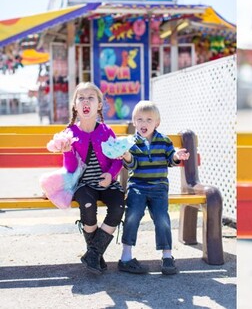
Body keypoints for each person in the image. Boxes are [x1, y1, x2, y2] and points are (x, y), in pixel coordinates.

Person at [117, 100, 189, 275]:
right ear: (134, 122)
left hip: (158, 187)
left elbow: (171, 159)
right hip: (138, 186)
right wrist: (126, 156)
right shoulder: (130, 143)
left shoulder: (164, 141)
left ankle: (167, 255)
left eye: (149, 120)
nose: (144, 123)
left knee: (162, 218)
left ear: (157, 123)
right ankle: (126, 256)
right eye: (140, 119)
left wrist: (177, 155)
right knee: (132, 215)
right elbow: (132, 166)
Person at [60, 82, 125, 274]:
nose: (85, 101)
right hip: (83, 184)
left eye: (91, 97)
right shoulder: (69, 133)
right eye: (81, 98)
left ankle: (93, 254)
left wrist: (110, 175)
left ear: (99, 105)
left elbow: (118, 159)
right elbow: (71, 168)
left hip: (106, 182)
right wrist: (67, 152)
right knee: (88, 207)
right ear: (75, 105)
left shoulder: (106, 131)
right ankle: (95, 255)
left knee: (118, 206)